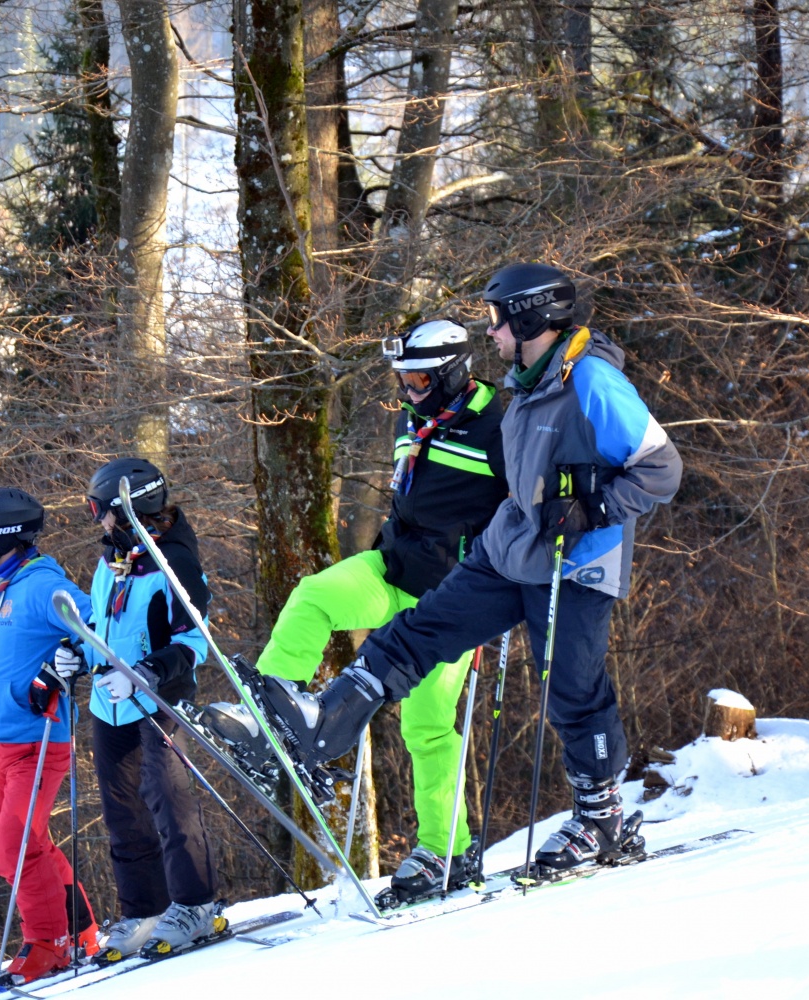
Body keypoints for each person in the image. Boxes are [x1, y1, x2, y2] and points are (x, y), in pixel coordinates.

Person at [247, 262, 683, 870]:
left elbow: (662, 469)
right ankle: (327, 720)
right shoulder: (527, 385)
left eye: (498, 319)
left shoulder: (592, 384)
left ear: (530, 317)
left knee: (571, 691)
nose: (492, 331)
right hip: (509, 552)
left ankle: (602, 817)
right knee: (423, 627)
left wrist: (595, 506)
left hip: (573, 563)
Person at [198, 319, 507, 899]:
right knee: (312, 596)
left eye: (418, 377)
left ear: (453, 372)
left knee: (427, 727)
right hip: (391, 568)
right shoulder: (413, 418)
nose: (408, 389)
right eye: (402, 378)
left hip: (451, 598)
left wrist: (502, 586)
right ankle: (273, 714)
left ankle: (447, 850)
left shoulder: (498, 425)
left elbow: (524, 509)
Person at [67, 458, 218, 958]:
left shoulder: (174, 561)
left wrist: (147, 673)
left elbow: (196, 640)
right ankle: (142, 909)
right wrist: (77, 654)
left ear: (127, 510)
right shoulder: (111, 559)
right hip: (110, 705)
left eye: (99, 510)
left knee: (167, 800)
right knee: (121, 810)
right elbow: (102, 628)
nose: (97, 521)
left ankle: (194, 904)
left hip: (159, 699)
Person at [0, 488, 99, 984]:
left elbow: (96, 625)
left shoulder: (42, 586)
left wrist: (69, 659)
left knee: (14, 849)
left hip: (34, 743)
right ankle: (79, 930)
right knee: (26, 847)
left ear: (1, 537)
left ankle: (49, 943)